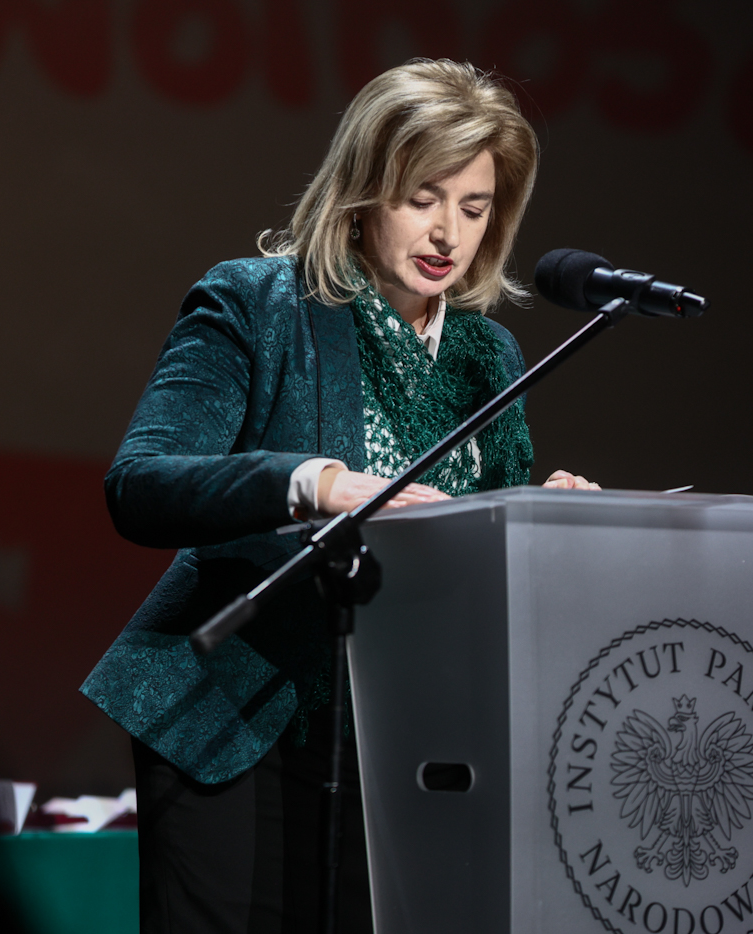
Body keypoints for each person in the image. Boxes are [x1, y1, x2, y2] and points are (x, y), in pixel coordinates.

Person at [80, 59, 598, 934]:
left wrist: (544, 519)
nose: (448, 233)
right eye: (422, 198)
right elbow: (140, 484)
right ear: (362, 193)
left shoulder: (489, 357)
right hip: (238, 720)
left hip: (401, 742)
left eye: (474, 208)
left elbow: (477, 556)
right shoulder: (259, 304)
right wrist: (309, 482)